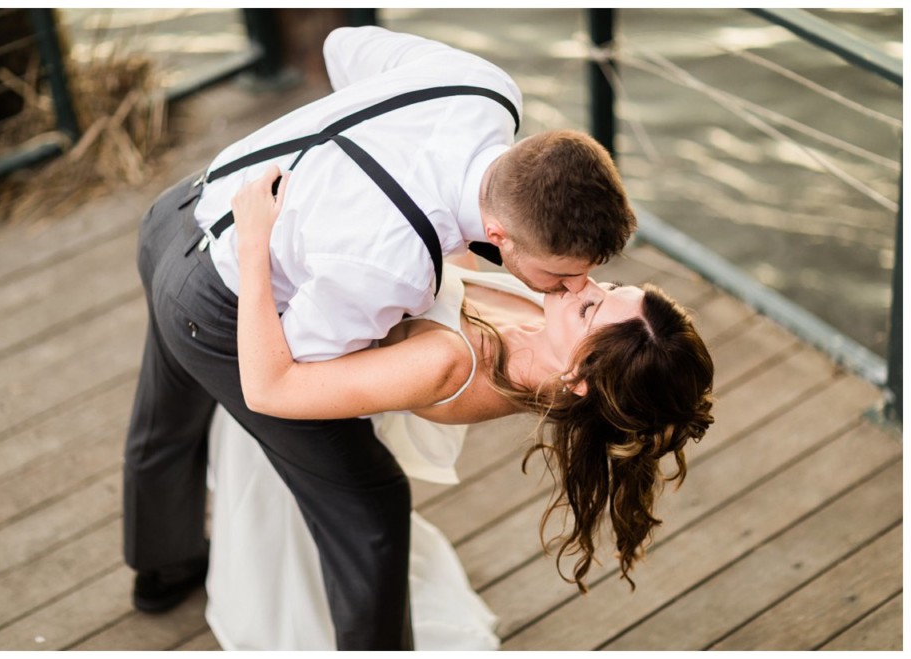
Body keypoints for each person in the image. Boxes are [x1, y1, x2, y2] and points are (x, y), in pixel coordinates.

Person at [124, 26, 635, 649]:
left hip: (180, 208)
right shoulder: (393, 267)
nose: (573, 286)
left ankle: (161, 571)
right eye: (563, 272)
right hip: (216, 297)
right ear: (499, 234)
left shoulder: (485, 90)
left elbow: (342, 46)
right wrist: (268, 251)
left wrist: (341, 170)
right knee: (370, 506)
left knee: (168, 413)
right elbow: (288, 374)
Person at [201, 167, 715, 648]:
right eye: (614, 288)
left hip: (303, 390)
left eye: (590, 307)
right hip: (328, 324)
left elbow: (272, 390)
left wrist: (253, 244)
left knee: (278, 546)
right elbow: (453, 261)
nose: (585, 282)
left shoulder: (450, 362)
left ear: (579, 379)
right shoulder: (559, 338)